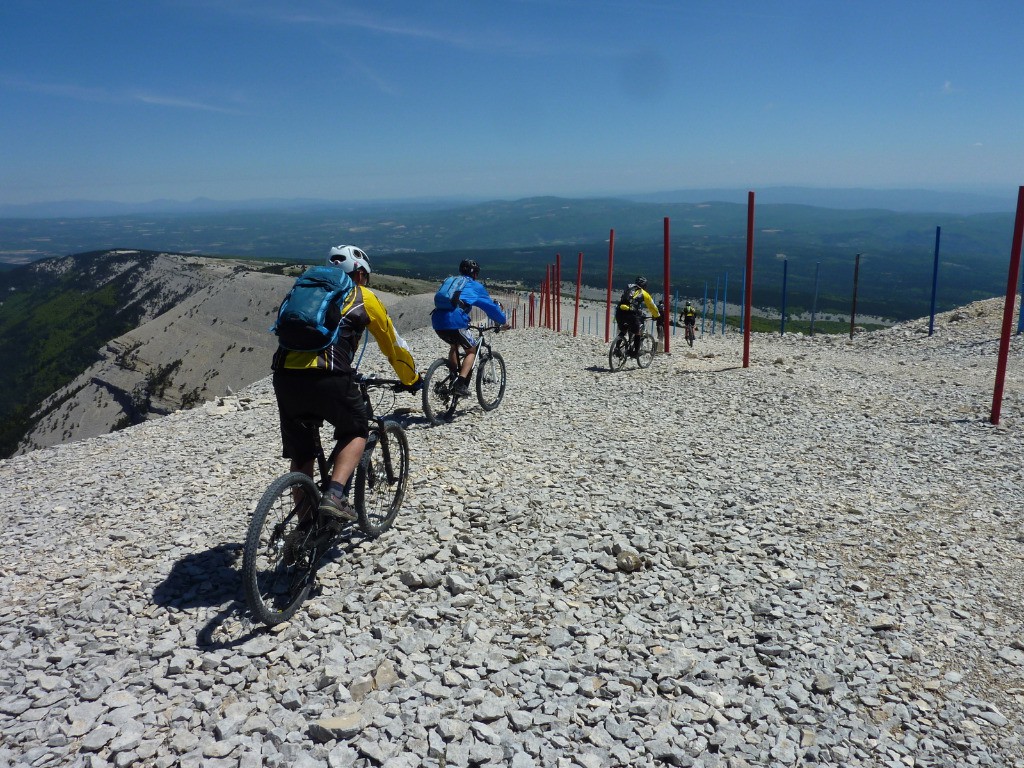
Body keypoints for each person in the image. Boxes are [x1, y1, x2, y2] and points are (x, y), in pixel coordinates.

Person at [272, 245, 422, 526]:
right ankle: (335, 496)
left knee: (302, 452)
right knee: (356, 429)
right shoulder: (363, 297)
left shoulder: (305, 293)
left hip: (284, 376)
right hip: (329, 374)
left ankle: (305, 530)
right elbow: (393, 345)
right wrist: (411, 379)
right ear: (361, 275)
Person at [431, 259, 510, 397]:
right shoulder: (475, 286)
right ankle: (460, 384)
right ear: (474, 274)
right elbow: (490, 308)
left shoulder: (451, 281)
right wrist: (502, 321)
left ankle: (452, 376)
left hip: (437, 320)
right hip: (455, 320)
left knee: (454, 345)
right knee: (471, 351)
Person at [615, 276, 660, 351]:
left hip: (620, 311)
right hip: (631, 313)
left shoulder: (628, 287)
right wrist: (657, 316)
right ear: (644, 285)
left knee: (623, 330)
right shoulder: (644, 293)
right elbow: (652, 306)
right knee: (637, 332)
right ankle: (635, 352)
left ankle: (616, 348)